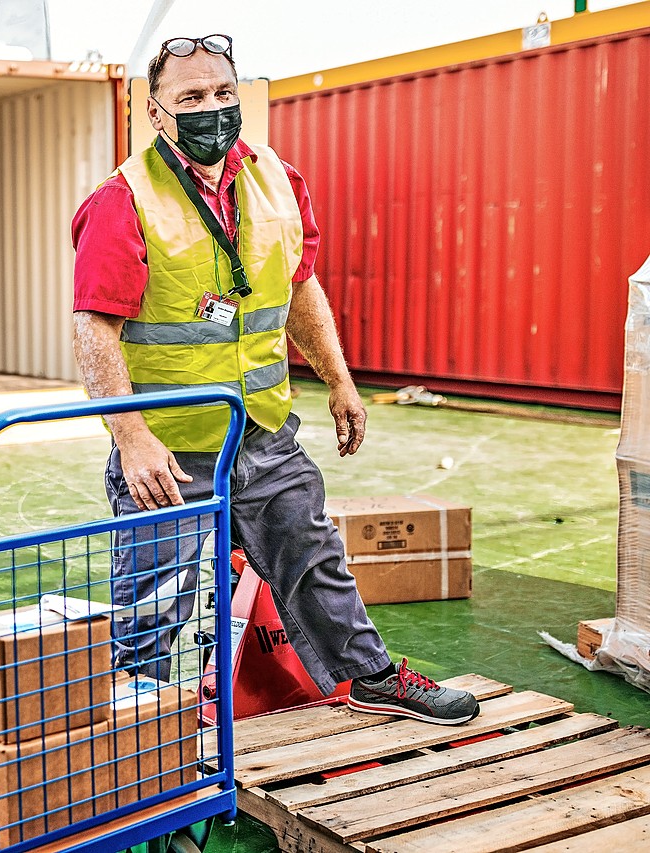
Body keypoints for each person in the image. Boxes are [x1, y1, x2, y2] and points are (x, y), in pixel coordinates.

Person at [70, 33, 479, 725]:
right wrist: (131, 437)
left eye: (224, 94)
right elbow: (94, 328)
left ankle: (370, 676)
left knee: (314, 555)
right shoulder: (123, 199)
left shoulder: (277, 180)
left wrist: (339, 379)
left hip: (262, 431)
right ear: (156, 112)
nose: (212, 110)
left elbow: (299, 287)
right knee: (152, 595)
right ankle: (132, 723)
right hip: (170, 447)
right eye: (191, 97)